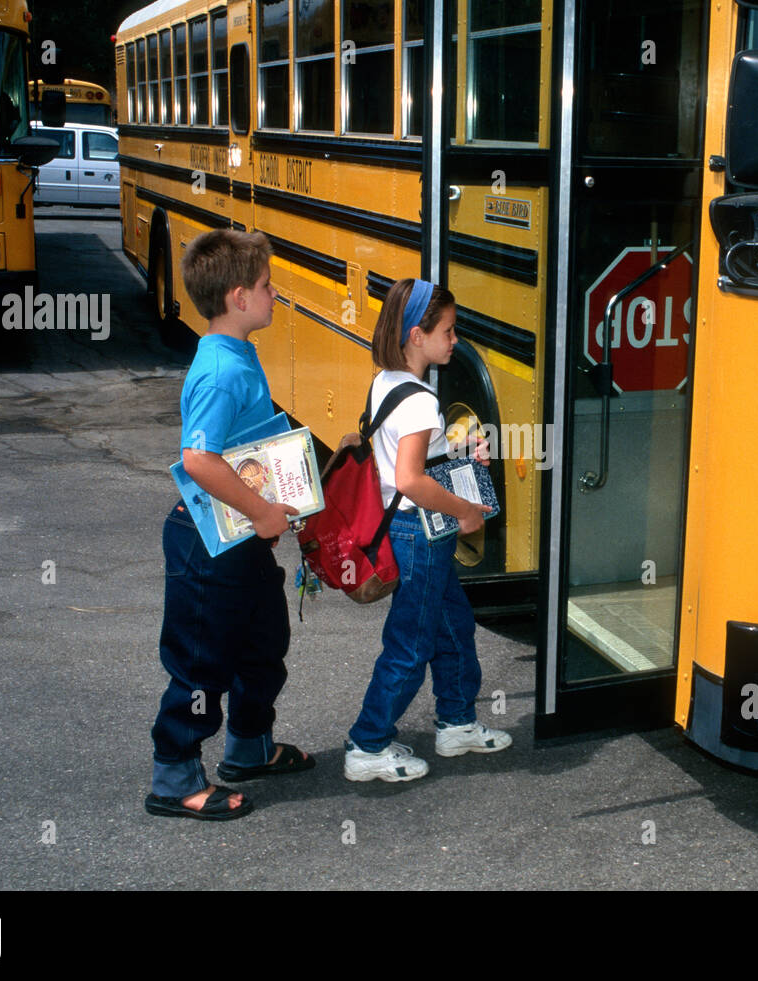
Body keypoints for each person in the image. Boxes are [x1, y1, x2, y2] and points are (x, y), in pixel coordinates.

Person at [145, 229, 313, 821]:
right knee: (200, 665)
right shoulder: (221, 370)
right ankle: (175, 776)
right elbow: (198, 459)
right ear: (239, 297)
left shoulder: (240, 353)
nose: (276, 296)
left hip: (238, 538)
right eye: (268, 288)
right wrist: (265, 510)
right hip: (205, 542)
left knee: (263, 644)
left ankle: (247, 746)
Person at [344, 278, 512, 782]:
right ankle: (367, 745)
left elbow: (409, 459)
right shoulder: (420, 401)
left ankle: (457, 721)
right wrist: (465, 511)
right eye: (448, 330)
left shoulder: (386, 382)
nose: (454, 340)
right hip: (420, 532)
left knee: (453, 626)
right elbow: (410, 478)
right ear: (417, 335)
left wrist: (460, 453)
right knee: (411, 643)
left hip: (414, 531)